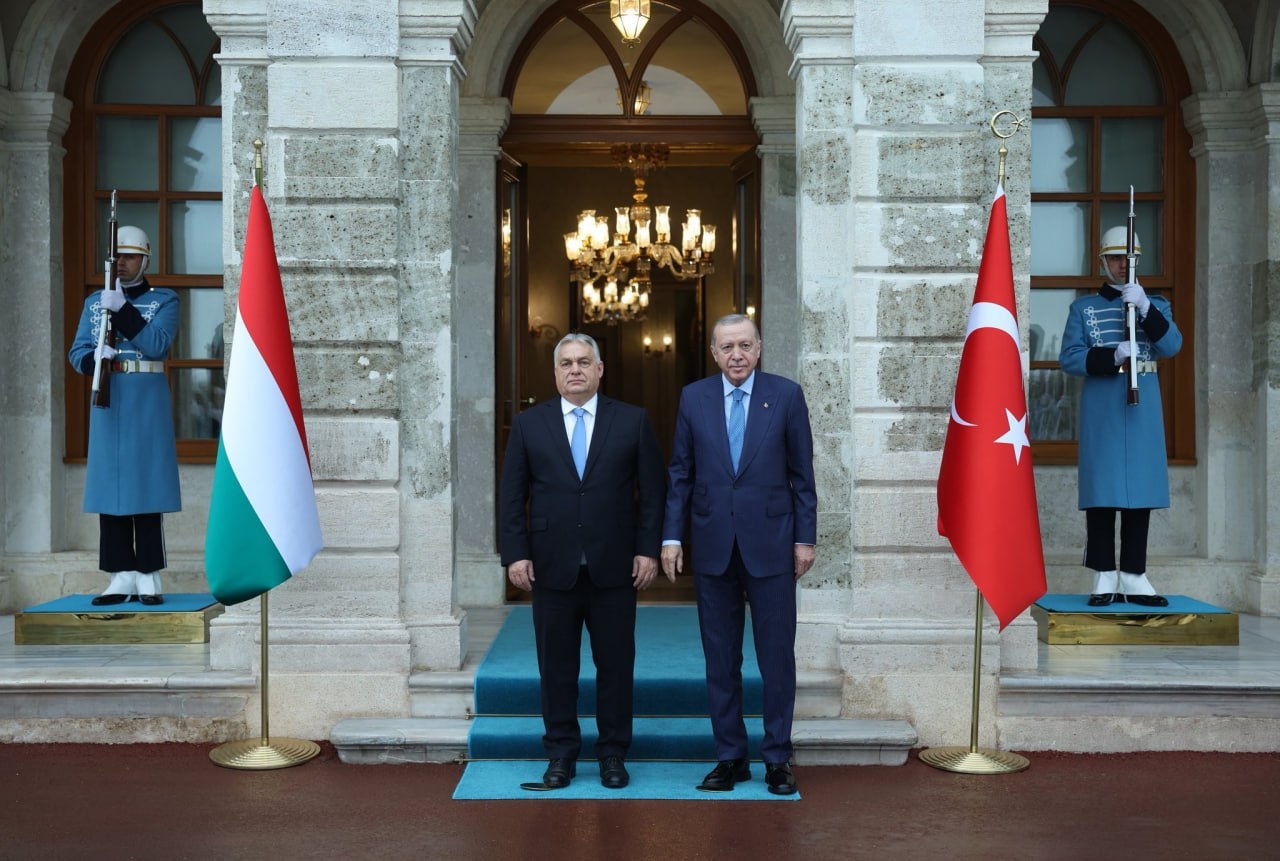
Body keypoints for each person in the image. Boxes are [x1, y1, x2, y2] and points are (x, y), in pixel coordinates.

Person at [499, 332, 665, 790]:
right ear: (555, 373)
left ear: (600, 369)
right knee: (556, 668)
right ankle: (561, 756)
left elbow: (653, 494)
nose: (575, 369)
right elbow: (512, 496)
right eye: (567, 363)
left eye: (584, 362)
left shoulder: (631, 421)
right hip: (551, 568)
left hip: (616, 568)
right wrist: (515, 554)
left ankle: (613, 754)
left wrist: (648, 548)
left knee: (615, 667)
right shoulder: (530, 424)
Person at [661, 313, 816, 796]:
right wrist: (671, 537)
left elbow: (803, 475)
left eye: (745, 346)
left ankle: (776, 757)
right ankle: (730, 757)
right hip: (711, 546)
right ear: (713, 353)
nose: (736, 355)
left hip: (772, 543)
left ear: (759, 347)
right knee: (720, 659)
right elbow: (680, 473)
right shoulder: (694, 397)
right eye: (727, 347)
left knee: (775, 658)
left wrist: (804, 538)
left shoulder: (786, 395)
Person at [1060, 227, 1182, 607]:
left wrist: (1145, 308)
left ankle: (1133, 574)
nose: (1120, 265)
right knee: (1102, 491)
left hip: (1143, 402)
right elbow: (1070, 358)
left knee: (1140, 491)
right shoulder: (1084, 308)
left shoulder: (1156, 305)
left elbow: (1171, 345)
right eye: (1114, 259)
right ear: (1102, 262)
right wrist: (1110, 356)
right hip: (1103, 401)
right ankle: (1103, 573)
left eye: (1127, 259)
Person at [68, 226, 181, 606]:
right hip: (110, 398)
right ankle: (121, 575)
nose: (123, 263)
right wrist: (93, 359)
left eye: (130, 256)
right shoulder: (93, 302)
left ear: (145, 259)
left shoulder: (165, 300)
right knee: (110, 489)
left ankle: (148, 573)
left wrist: (124, 310)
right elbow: (78, 351)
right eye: (118, 257)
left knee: (146, 486)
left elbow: (157, 345)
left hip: (146, 399)